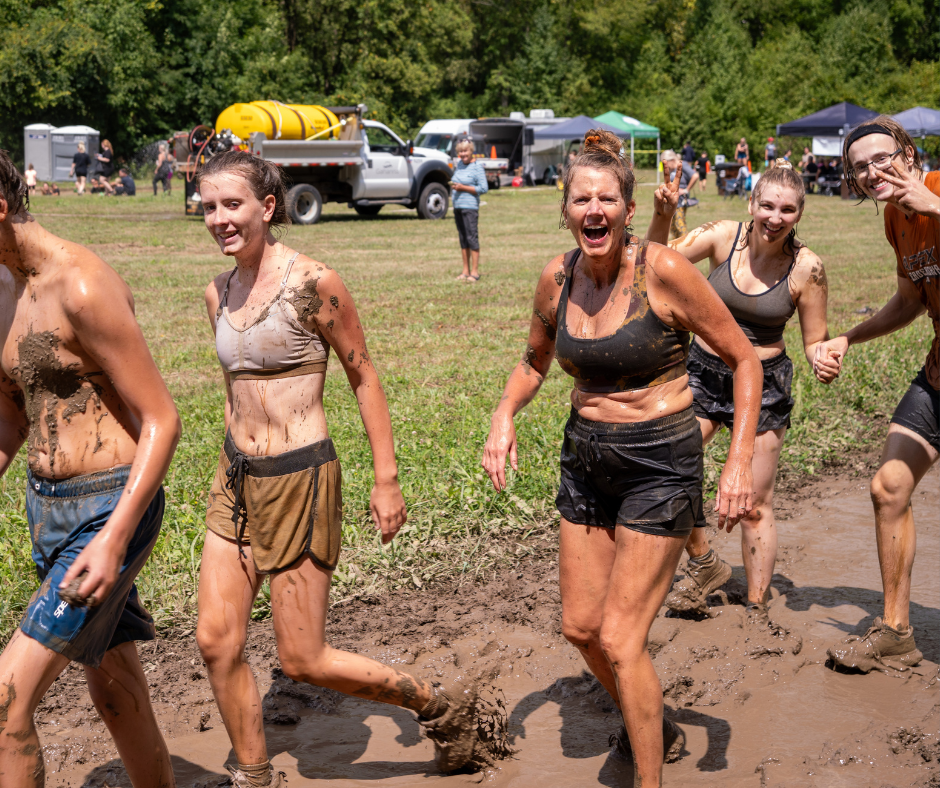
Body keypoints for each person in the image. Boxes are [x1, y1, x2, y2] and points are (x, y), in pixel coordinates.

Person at [482, 130, 762, 788]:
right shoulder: (558, 279)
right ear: (567, 209)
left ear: (628, 211)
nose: (594, 209)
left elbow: (743, 358)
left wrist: (739, 458)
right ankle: (651, 719)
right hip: (585, 458)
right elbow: (533, 361)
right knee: (581, 627)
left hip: (660, 463)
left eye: (607, 198)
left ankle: (649, 778)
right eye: (582, 199)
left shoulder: (661, 270)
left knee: (620, 638)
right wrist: (503, 414)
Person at [195, 151, 483, 786]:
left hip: (301, 476)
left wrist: (387, 479)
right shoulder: (216, 292)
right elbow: (233, 390)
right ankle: (254, 773)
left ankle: (433, 704)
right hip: (235, 477)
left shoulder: (314, 282)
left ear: (268, 208)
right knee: (217, 641)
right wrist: (232, 456)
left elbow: (363, 375)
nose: (218, 219)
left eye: (232, 205)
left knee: (301, 658)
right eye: (209, 206)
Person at [0, 149, 181, 787]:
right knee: (114, 693)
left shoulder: (81, 285)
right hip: (47, 512)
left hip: (109, 510)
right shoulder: (6, 290)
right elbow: (15, 418)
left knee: (5, 702)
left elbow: (162, 418)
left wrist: (112, 541)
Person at [647, 160, 834, 617]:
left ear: (799, 214)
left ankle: (756, 609)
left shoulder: (807, 268)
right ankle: (706, 562)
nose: (775, 217)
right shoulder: (722, 236)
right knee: (665, 466)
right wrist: (663, 214)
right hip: (704, 374)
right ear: (751, 203)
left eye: (787, 209)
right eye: (767, 205)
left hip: (765, 386)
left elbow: (814, 340)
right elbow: (650, 261)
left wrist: (822, 358)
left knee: (754, 504)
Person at [814, 116, 939, 673]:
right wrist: (848, 335)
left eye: (882, 158)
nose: (872, 171)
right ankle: (895, 631)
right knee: (889, 486)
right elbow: (911, 299)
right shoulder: (896, 218)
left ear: (909, 154)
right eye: (860, 166)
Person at [451, 138, 488, 282]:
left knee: (472, 238)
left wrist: (463, 188)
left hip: (470, 207)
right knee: (463, 239)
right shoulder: (459, 165)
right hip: (458, 206)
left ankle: (475, 272)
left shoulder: (477, 167)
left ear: (471, 151)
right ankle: (465, 271)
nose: (462, 154)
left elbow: (483, 188)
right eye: (460, 151)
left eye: (465, 150)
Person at [660, 149, 699, 240]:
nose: (665, 166)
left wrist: (686, 190)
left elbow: (695, 176)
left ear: (672, 160)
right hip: (672, 200)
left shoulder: (682, 165)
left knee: (679, 224)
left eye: (665, 163)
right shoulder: (672, 169)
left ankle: (688, 245)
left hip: (680, 200)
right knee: (672, 226)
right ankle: (677, 247)